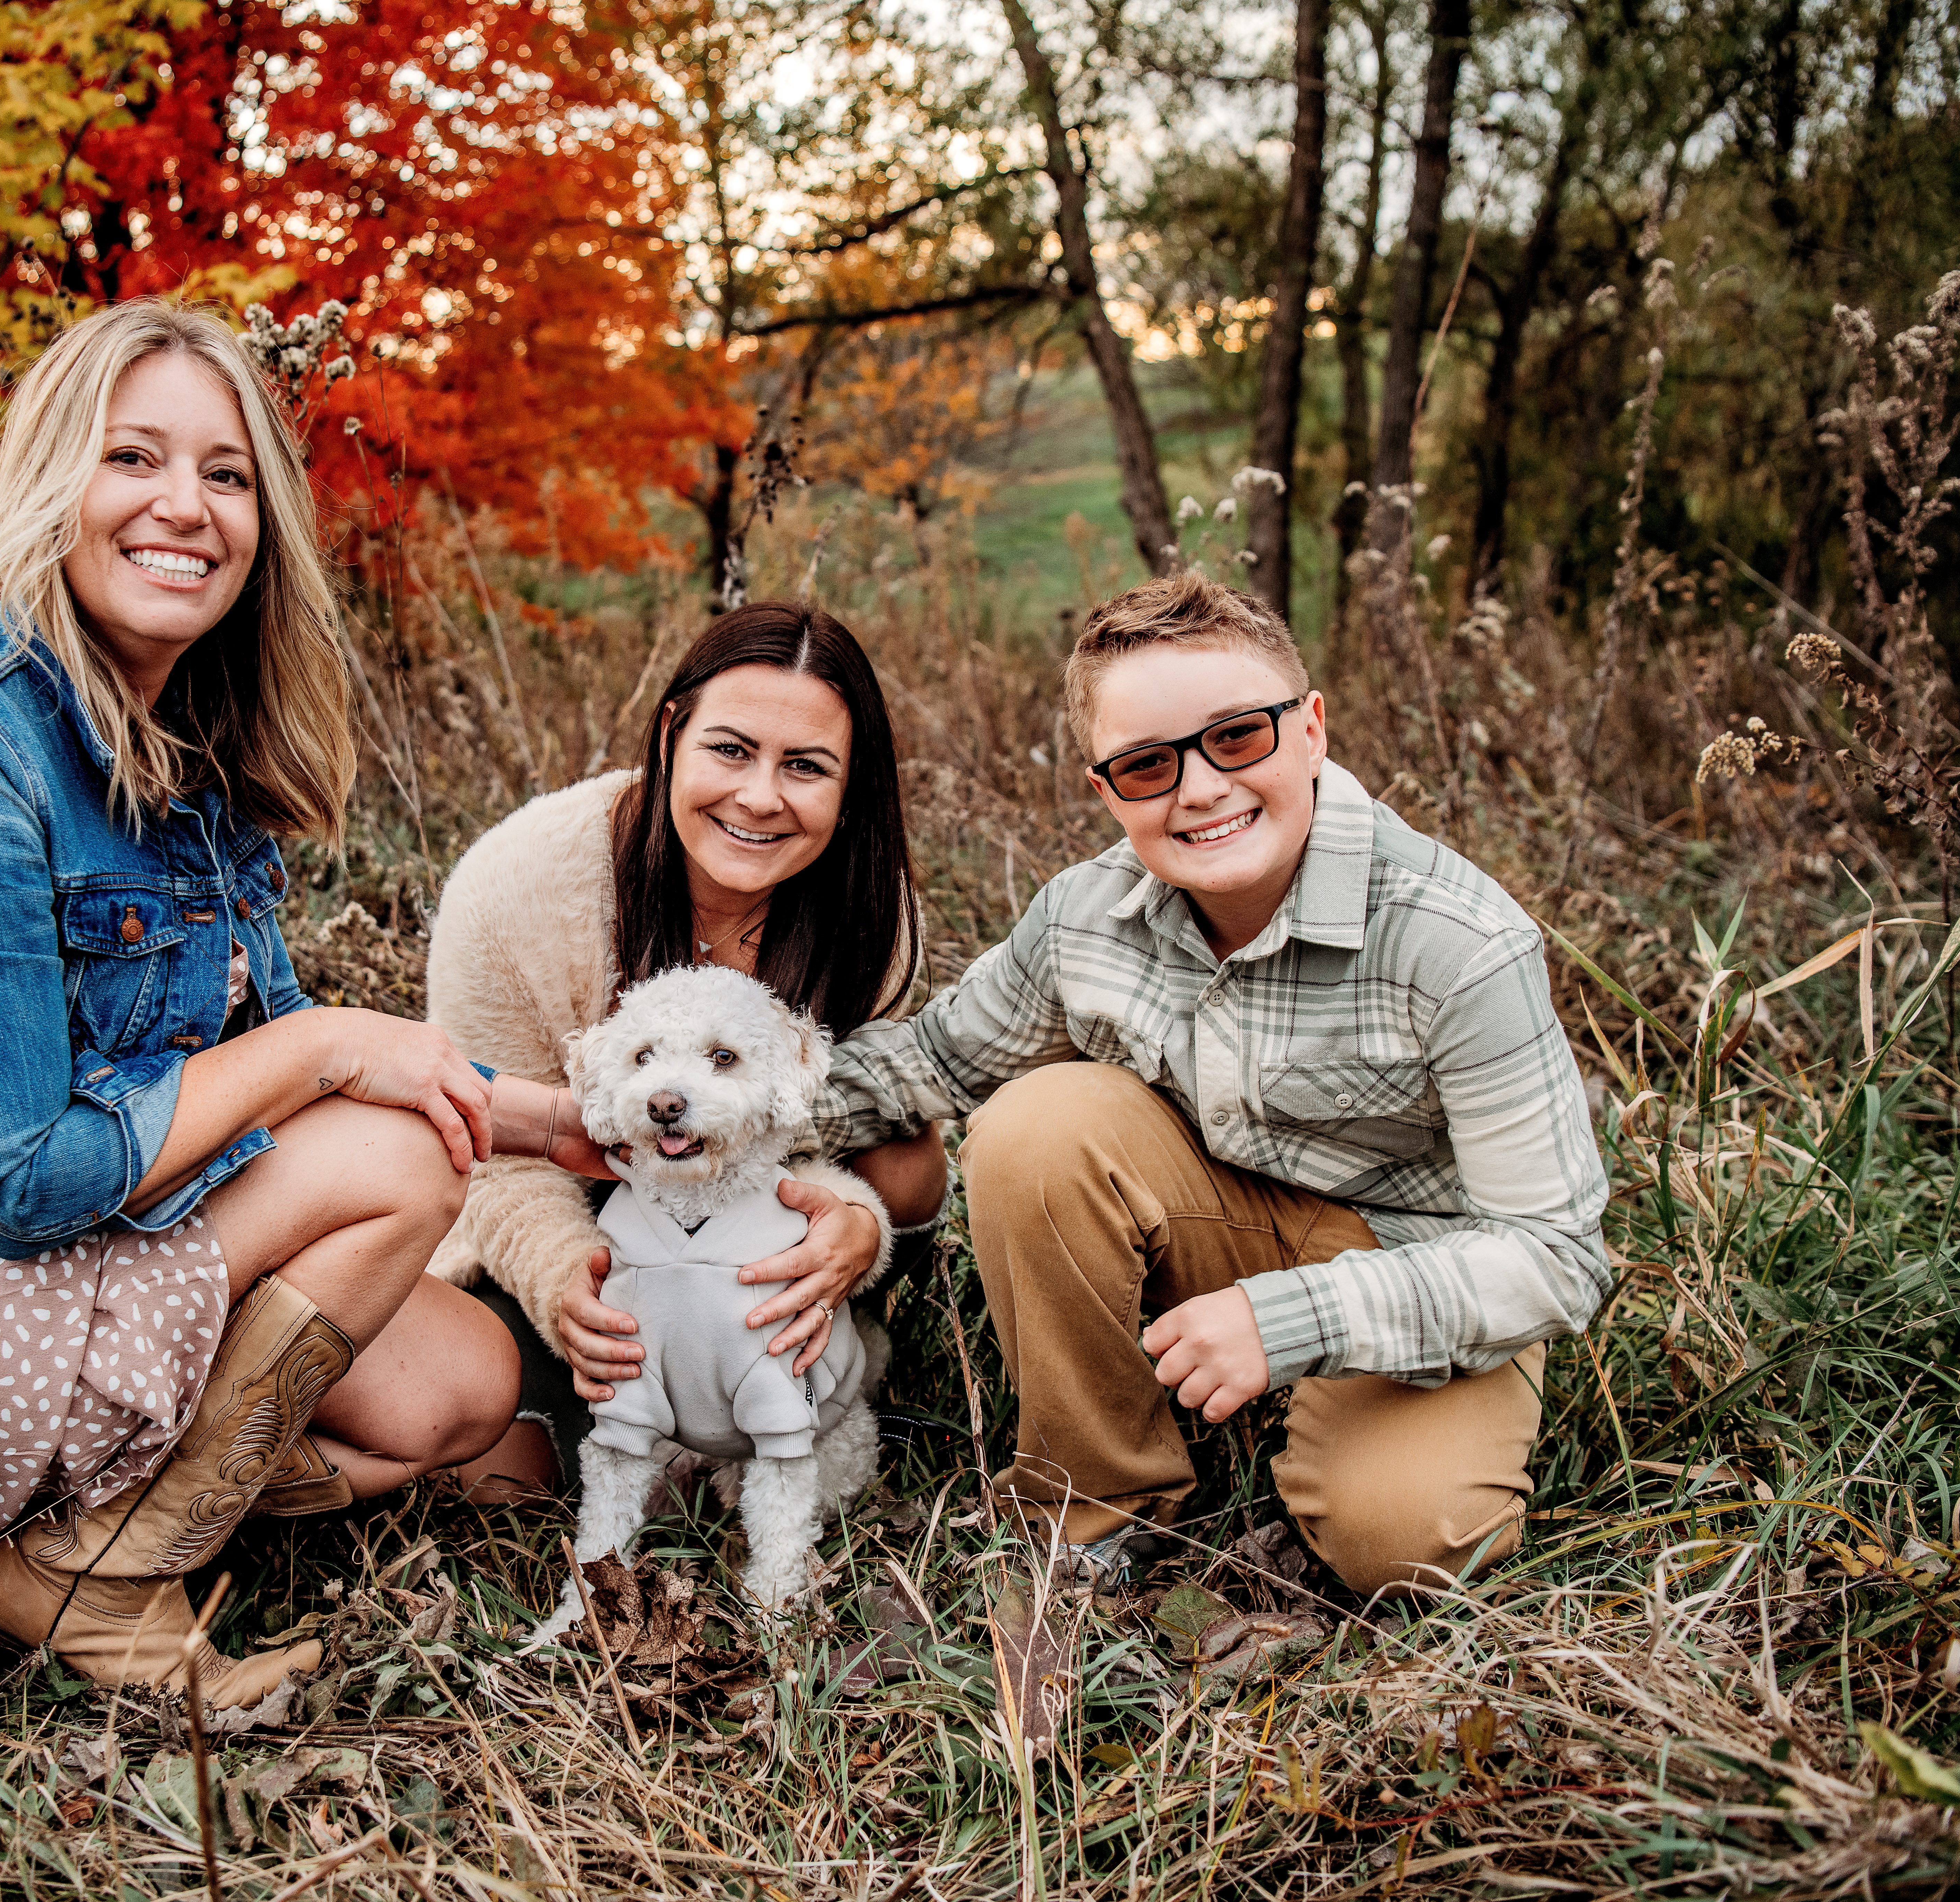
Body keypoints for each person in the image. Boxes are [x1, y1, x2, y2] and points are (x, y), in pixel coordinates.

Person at [0, 299, 606, 1708]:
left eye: (226, 473)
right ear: (50, 480)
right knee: (395, 1162)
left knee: (465, 1389)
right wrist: (325, 1046)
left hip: (97, 1256)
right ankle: (106, 1562)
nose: (183, 507)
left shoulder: (179, 734)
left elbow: (285, 1067)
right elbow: (23, 1179)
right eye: (133, 458)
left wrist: (550, 1125)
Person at [810, 570, 1610, 1595]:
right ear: (1105, 790)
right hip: (1219, 1231)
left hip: (1425, 1263)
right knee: (1034, 1124)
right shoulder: (1083, 919)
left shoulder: (1457, 943)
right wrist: (693, 1115)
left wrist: (1294, 1322)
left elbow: (1555, 1257)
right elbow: (930, 1063)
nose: (1200, 790)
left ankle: (1310, 1408)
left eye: (1239, 737)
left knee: (1407, 1545)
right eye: (1146, 765)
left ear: (1312, 729)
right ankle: (1101, 1505)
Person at [419, 603, 953, 1497]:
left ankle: (839, 1352)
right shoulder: (515, 888)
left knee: (904, 1154)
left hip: (753, 1211)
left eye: (807, 767)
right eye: (732, 750)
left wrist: (854, 1226)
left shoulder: (871, 914)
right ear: (673, 733)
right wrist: (565, 1289)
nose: (759, 797)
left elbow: (832, 1127)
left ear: (852, 785)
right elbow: (492, 1157)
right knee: (500, 1478)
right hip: (573, 1202)